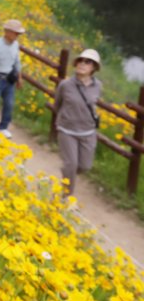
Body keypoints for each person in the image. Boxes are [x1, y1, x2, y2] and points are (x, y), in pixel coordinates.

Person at [54, 49, 102, 198]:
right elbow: (57, 104)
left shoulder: (98, 86)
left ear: (93, 67)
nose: (82, 64)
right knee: (71, 164)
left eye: (87, 62)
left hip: (88, 132)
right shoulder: (65, 85)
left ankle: (68, 174)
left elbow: (94, 104)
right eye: (80, 61)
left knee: (85, 166)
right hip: (67, 130)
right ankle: (66, 196)